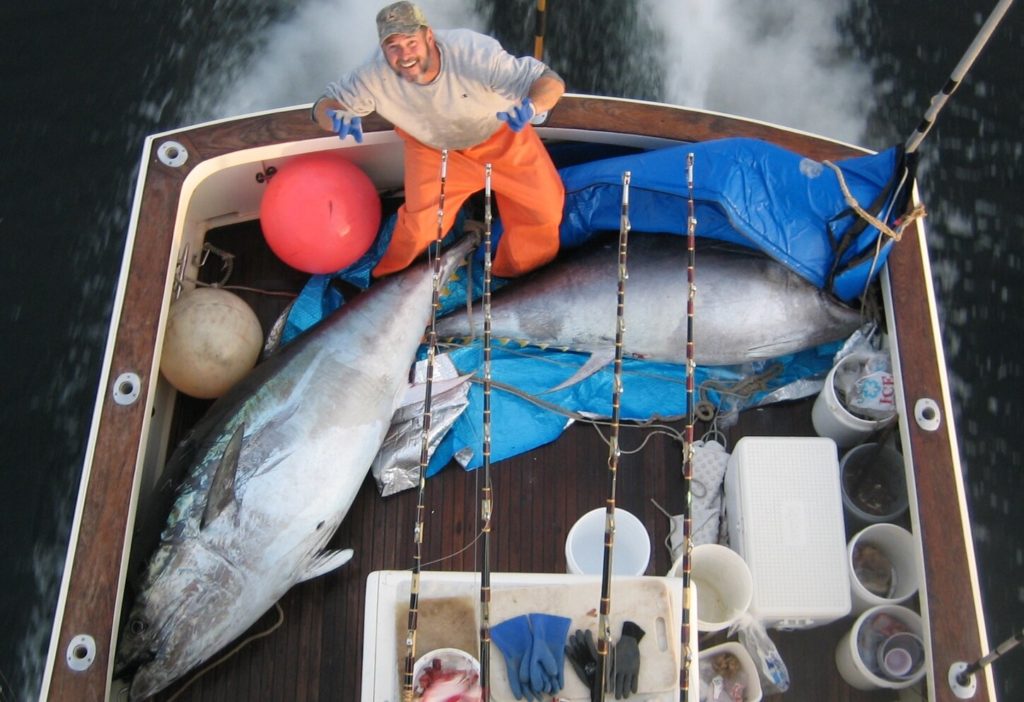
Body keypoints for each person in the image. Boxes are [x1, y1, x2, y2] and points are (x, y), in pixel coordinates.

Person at [311, 1, 566, 278]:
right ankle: (392, 282)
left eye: (411, 42)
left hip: (501, 136)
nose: (404, 54)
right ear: (383, 49)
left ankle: (514, 277)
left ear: (429, 37)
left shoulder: (474, 53)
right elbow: (324, 106)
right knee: (420, 228)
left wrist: (532, 106)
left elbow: (548, 80)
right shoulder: (373, 76)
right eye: (393, 46)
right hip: (433, 148)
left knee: (544, 210)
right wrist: (335, 116)